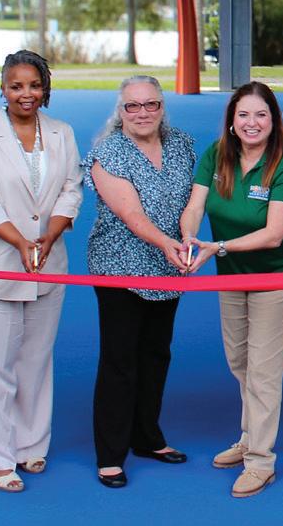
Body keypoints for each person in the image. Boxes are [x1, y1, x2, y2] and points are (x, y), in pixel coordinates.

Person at [0, 50, 82, 492]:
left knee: (35, 360)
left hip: (48, 265)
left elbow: (71, 190)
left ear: (46, 88)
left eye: (34, 85)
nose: (26, 94)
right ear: (3, 89)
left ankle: (30, 444)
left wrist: (50, 235)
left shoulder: (62, 133)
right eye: (16, 86)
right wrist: (20, 241)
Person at [180, 82, 283, 499]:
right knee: (240, 362)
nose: (251, 123)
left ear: (274, 121)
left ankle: (260, 461)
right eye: (243, 115)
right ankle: (249, 435)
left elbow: (274, 235)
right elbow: (195, 206)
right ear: (231, 121)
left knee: (263, 371)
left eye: (261, 115)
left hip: (278, 277)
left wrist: (216, 247)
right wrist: (189, 239)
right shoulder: (216, 154)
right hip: (232, 276)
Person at [80, 76, 196, 489]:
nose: (142, 113)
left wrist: (187, 240)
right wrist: (168, 243)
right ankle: (110, 455)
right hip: (120, 267)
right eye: (133, 105)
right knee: (120, 361)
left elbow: (193, 200)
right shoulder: (107, 153)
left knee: (156, 354)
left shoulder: (182, 144)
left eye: (151, 104)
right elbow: (131, 215)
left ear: (163, 106)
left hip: (169, 268)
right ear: (120, 111)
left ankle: (147, 437)